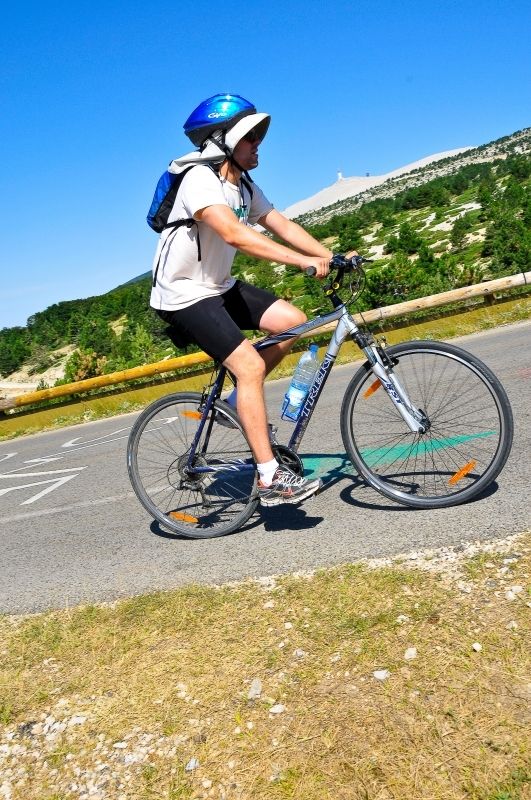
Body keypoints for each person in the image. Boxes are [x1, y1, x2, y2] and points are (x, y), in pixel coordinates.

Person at [150, 93, 334, 507]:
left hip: (219, 285)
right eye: (250, 138)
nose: (258, 146)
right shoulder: (199, 180)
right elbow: (234, 234)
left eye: (258, 138)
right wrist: (303, 262)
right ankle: (270, 479)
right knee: (249, 366)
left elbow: (278, 222)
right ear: (224, 140)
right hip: (182, 293)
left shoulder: (245, 186)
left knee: (293, 320)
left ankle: (235, 401)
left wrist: (327, 255)